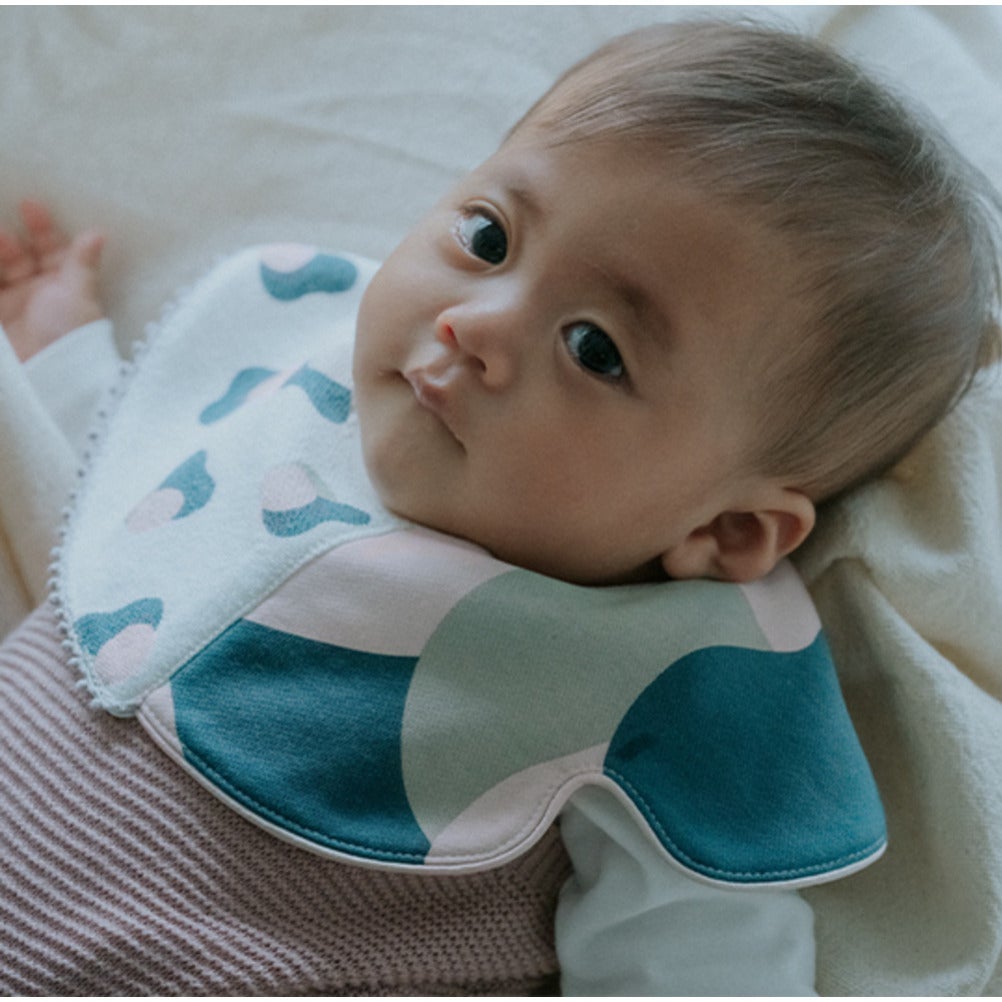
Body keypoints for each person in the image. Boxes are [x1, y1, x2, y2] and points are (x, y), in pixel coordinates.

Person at [0, 20, 998, 996]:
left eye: (594, 349)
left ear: (726, 530)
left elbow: (695, 969)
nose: (475, 324)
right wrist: (63, 358)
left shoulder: (670, 692)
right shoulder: (313, 382)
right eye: (489, 237)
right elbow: (147, 503)